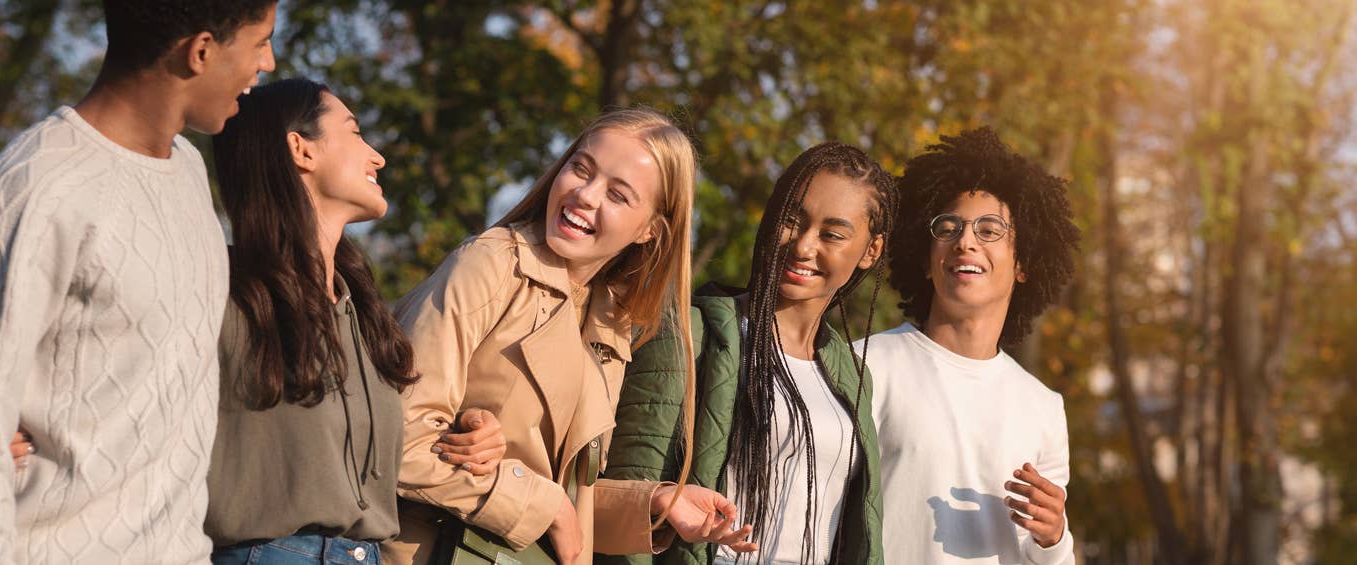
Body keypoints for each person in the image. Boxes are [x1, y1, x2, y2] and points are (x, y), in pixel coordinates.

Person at [0, 1, 276, 563]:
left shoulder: (188, 171)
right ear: (202, 51)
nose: (269, 61)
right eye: (260, 42)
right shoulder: (35, 189)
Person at [384, 108, 757, 564]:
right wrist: (545, 504)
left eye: (618, 195)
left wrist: (657, 503)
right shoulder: (492, 264)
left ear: (649, 231)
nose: (584, 194)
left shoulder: (611, 321)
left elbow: (562, 499)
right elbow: (392, 438)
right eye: (580, 168)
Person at [202, 77, 508, 564]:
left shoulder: (361, 315)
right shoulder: (220, 292)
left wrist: (471, 434)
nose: (377, 157)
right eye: (355, 132)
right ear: (301, 149)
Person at [601, 142, 896, 565]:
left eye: (832, 234)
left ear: (871, 250)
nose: (804, 246)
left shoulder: (852, 376)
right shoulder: (688, 335)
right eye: (793, 220)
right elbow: (631, 503)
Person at [855, 127, 1081, 564]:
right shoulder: (865, 364)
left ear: (1023, 264)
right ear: (925, 258)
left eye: (990, 229)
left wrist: (1054, 537)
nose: (966, 240)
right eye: (948, 227)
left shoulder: (1044, 407)